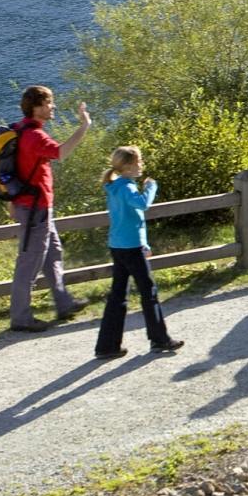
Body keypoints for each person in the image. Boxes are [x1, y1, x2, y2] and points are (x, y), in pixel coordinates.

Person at [9, 84, 89, 333]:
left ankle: (64, 303)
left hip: (35, 206)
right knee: (29, 263)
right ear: (37, 107)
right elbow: (61, 153)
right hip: (36, 209)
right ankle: (21, 317)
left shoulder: (20, 130)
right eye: (49, 103)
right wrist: (84, 126)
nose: (53, 106)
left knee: (53, 253)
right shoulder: (35, 136)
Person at [95, 145, 184, 358]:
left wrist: (143, 243)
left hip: (118, 245)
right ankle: (159, 340)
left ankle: (107, 346)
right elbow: (143, 205)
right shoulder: (128, 188)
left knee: (118, 295)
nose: (141, 165)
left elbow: (129, 218)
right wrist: (152, 187)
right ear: (127, 166)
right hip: (131, 247)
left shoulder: (114, 186)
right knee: (149, 292)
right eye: (138, 162)